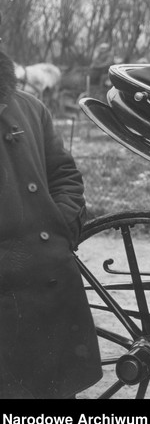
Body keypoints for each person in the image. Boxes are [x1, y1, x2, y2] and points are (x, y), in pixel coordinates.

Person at [0, 21, 102, 398]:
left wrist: (61, 223)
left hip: (48, 272)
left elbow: (65, 175)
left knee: (56, 390)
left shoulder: (29, 107)